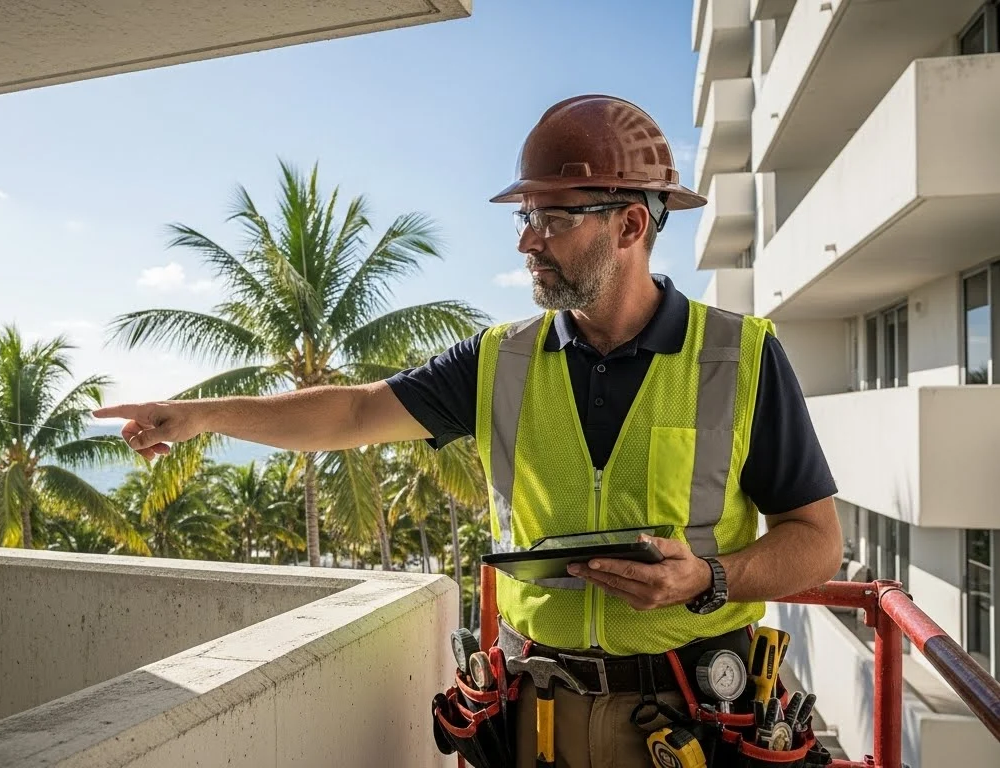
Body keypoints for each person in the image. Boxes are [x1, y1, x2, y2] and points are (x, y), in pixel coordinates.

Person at [94, 94, 842, 768]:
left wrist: (706, 578)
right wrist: (201, 415)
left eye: (553, 218)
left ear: (630, 224)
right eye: (525, 218)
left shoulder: (738, 357)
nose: (527, 242)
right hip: (538, 718)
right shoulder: (500, 360)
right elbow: (355, 411)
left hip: (690, 719)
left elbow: (816, 540)